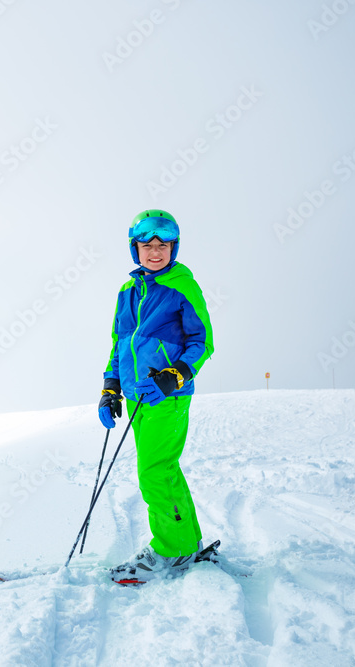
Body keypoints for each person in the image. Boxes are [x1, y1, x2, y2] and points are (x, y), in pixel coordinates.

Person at [98, 209, 214, 585]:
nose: (155, 252)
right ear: (135, 249)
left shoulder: (182, 285)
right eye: (146, 245)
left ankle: (170, 549)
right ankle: (186, 541)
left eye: (162, 245)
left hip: (167, 395)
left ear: (173, 248)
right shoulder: (127, 291)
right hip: (135, 397)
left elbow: (203, 341)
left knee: (154, 473)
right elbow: (120, 344)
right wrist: (110, 388)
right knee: (164, 469)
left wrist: (175, 374)